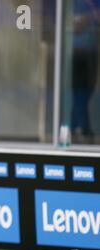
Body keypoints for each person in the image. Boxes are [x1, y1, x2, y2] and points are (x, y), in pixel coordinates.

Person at [71, 0, 99, 143]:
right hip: (74, 54)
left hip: (91, 52)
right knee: (79, 94)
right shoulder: (72, 3)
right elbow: (68, 23)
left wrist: (88, 18)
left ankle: (76, 128)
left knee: (86, 91)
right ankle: (80, 129)